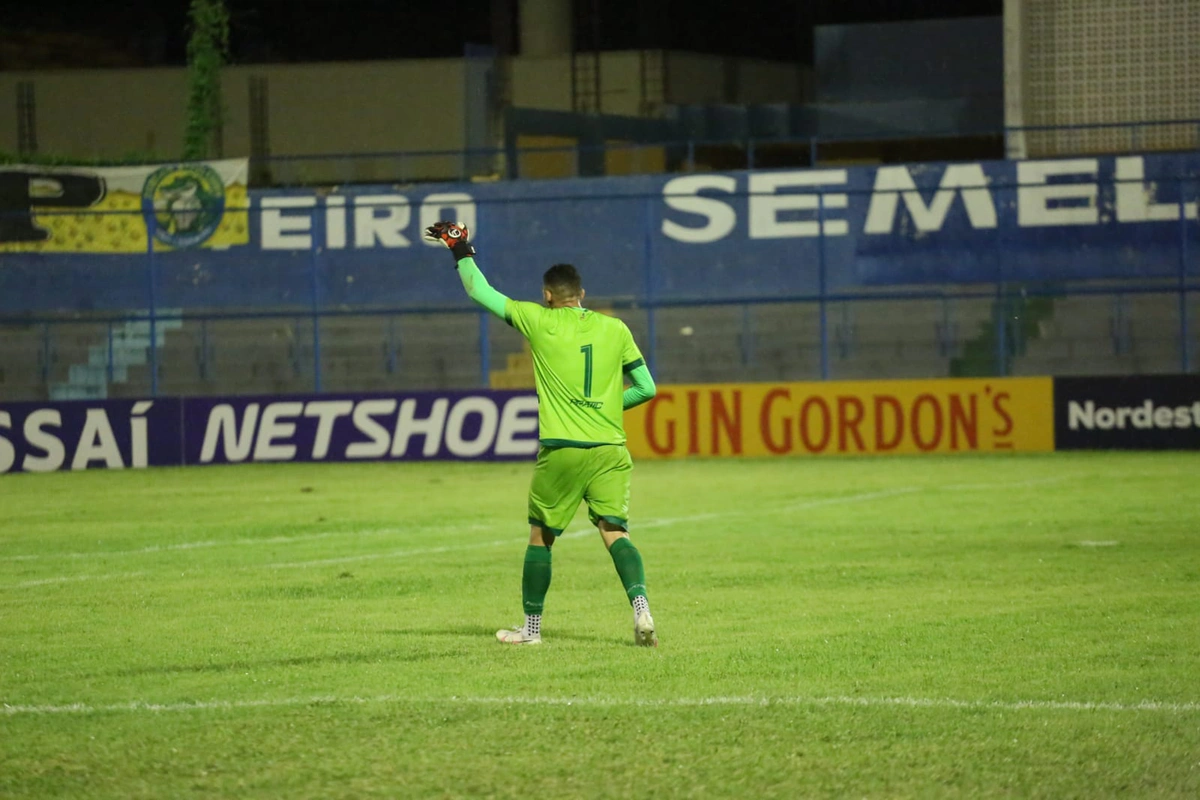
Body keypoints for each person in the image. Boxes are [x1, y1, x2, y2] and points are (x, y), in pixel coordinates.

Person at [424, 221, 659, 647]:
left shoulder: (537, 320)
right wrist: (604, 408)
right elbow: (647, 388)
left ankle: (531, 631)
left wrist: (460, 249)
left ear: (548, 296)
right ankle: (642, 609)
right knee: (615, 531)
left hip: (563, 450)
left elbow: (480, 291)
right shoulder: (616, 329)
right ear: (582, 294)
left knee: (541, 536)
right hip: (610, 449)